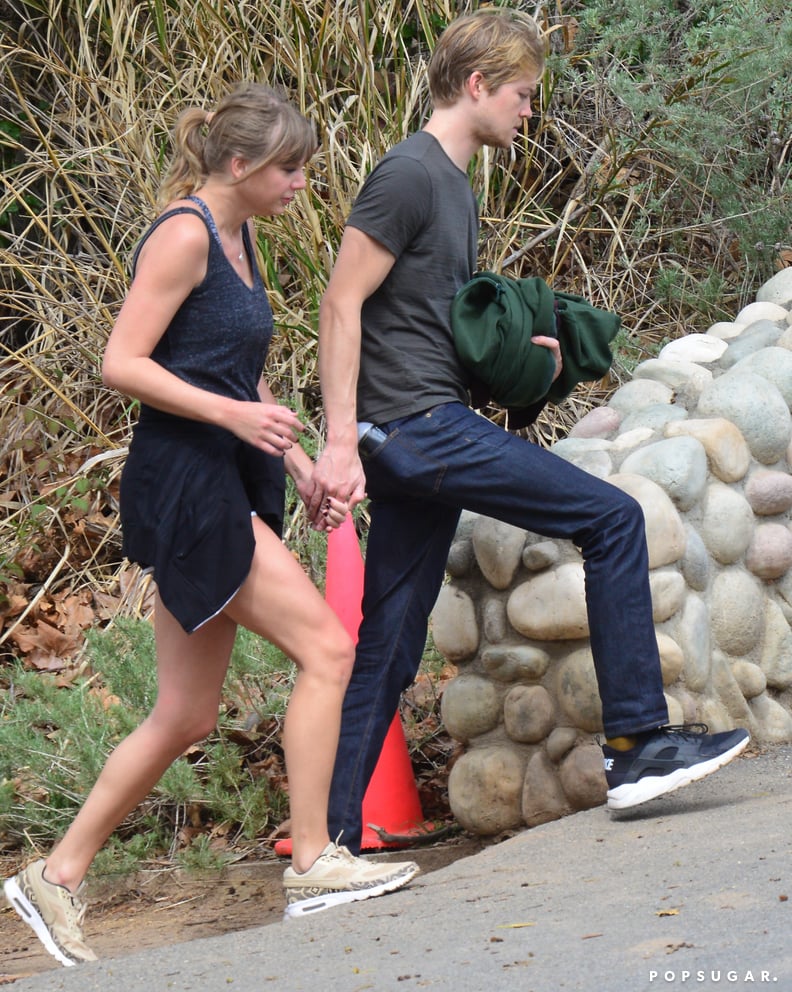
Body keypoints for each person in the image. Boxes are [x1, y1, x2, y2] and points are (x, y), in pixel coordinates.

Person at [309, 8, 750, 857]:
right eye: (520, 94)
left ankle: (329, 844)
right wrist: (338, 438)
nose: (527, 111)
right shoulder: (408, 174)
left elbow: (427, 328)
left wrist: (526, 365)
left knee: (391, 643)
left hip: (420, 424)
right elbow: (340, 301)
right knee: (613, 519)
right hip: (414, 428)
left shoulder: (453, 183)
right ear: (475, 86)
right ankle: (637, 747)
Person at [3, 83, 418, 969]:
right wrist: (233, 424)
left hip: (229, 474)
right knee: (327, 649)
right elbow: (123, 362)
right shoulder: (185, 233)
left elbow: (235, 370)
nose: (304, 184)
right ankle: (313, 862)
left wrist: (299, 464)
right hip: (187, 483)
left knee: (186, 714)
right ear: (239, 165)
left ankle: (56, 876)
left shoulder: (240, 236)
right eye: (291, 169)